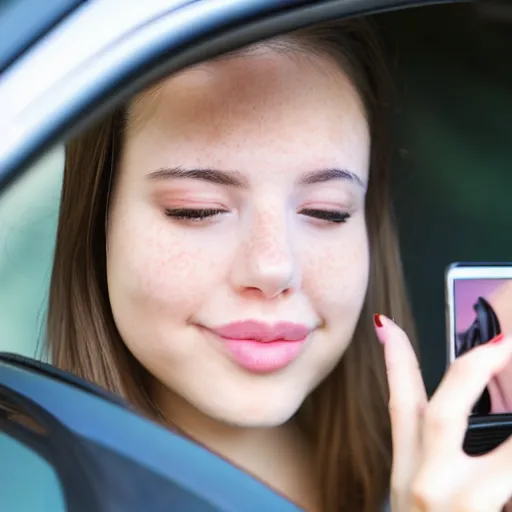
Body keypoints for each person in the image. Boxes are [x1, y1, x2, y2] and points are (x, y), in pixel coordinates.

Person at [45, 16, 512, 512]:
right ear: (99, 218)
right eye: (197, 209)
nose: (273, 269)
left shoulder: (442, 483)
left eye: (326, 211)